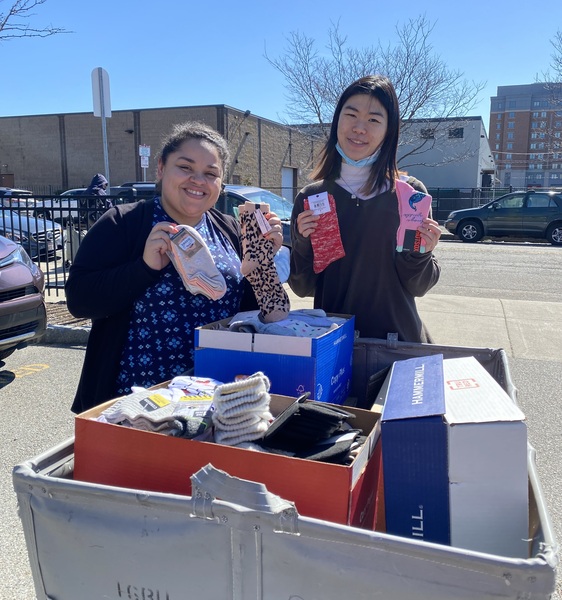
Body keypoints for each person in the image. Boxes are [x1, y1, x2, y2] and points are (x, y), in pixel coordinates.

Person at [66, 121, 284, 413]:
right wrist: (143, 268)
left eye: (210, 173)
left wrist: (262, 264)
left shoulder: (231, 230)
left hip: (217, 399)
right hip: (137, 405)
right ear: (160, 168)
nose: (198, 180)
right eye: (185, 167)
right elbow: (80, 300)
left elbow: (258, 316)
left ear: (221, 183)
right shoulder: (122, 224)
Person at [289, 75, 441, 343]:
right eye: (351, 115)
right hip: (333, 348)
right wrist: (303, 243)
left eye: (373, 119)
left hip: (397, 345)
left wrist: (422, 253)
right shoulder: (312, 197)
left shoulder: (410, 195)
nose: (360, 128)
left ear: (389, 130)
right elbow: (303, 287)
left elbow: (419, 286)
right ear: (337, 121)